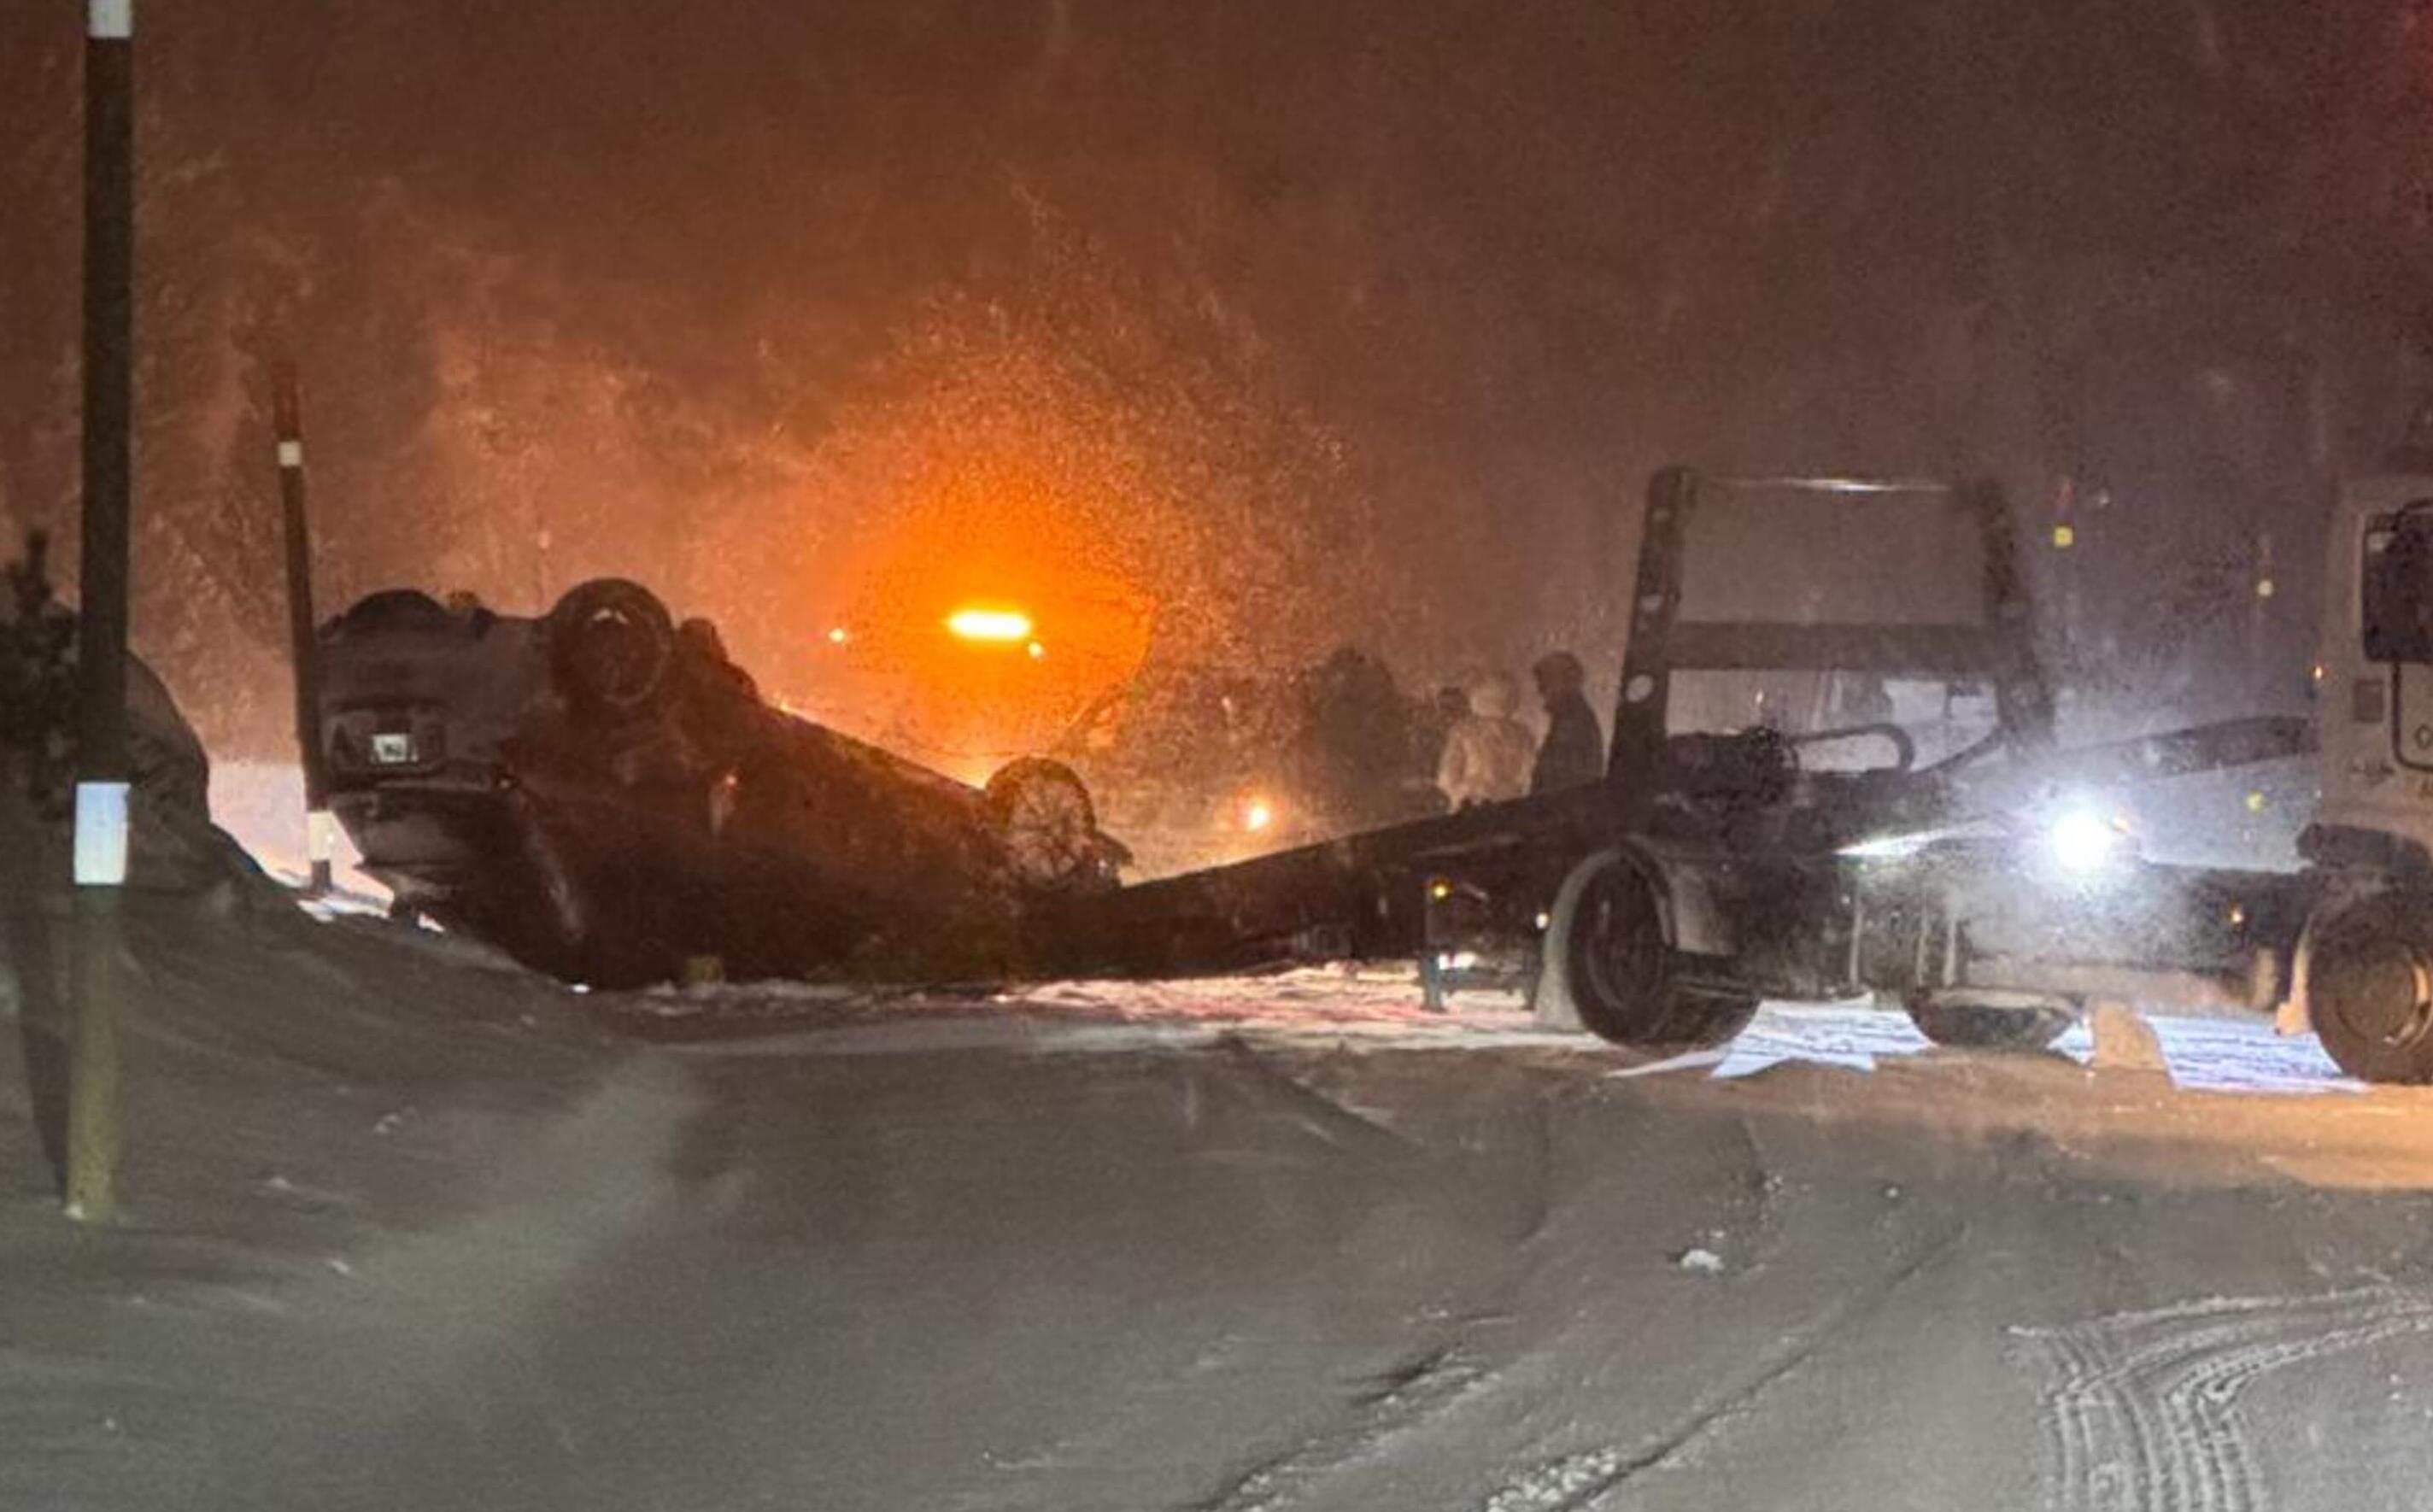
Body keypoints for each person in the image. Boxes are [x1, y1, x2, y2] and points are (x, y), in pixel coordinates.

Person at [1436, 672, 1535, 808]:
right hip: (1502, 805)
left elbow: (1446, 777)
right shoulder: (1523, 734)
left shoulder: (1463, 731)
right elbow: (1529, 775)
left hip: (1478, 804)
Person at [1530, 650, 1604, 794]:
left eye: (1545, 682)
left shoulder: (1575, 720)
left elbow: (1564, 777)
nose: (1540, 690)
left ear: (1563, 681)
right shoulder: (1569, 717)